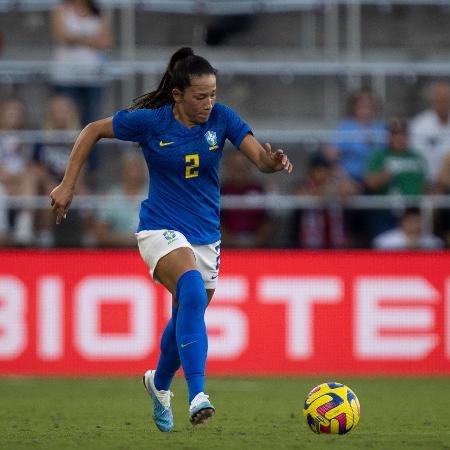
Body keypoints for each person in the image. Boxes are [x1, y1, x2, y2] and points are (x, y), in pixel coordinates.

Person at [50, 47, 293, 431]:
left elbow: (259, 160)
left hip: (205, 238)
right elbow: (92, 130)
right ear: (178, 95)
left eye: (213, 94)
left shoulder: (222, 119)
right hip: (159, 228)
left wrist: (274, 163)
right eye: (201, 96)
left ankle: (159, 384)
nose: (209, 103)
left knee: (186, 313)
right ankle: (198, 394)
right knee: (192, 292)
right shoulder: (151, 123)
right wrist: (67, 183)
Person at [51, 0, 113, 171]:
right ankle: (63, 168)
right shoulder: (61, 9)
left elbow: (106, 42)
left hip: (93, 78)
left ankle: (90, 169)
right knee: (66, 122)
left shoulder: (98, 12)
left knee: (92, 124)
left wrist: (76, 38)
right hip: (66, 77)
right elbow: (62, 35)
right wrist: (91, 40)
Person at [32, 94, 90, 247]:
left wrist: (71, 182)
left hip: (73, 180)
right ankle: (45, 237)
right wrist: (49, 182)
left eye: (64, 110)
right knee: (48, 195)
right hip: (49, 182)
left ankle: (87, 236)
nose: (60, 115)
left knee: (84, 194)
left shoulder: (80, 136)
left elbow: (85, 164)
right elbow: (36, 165)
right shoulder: (42, 136)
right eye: (56, 110)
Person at [365, 118, 427, 238]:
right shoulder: (379, 156)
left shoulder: (416, 157)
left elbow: (424, 185)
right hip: (386, 212)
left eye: (403, 134)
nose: (399, 137)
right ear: (389, 136)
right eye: (395, 134)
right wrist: (387, 173)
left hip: (413, 212)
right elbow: (370, 183)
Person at [291, 151, 347, 249]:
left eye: (323, 170)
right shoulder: (304, 186)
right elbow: (299, 195)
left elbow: (352, 190)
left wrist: (339, 177)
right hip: (311, 242)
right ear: (311, 171)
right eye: (317, 170)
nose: (321, 174)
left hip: (335, 242)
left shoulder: (336, 185)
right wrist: (325, 191)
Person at [92, 150, 147, 247]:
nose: (135, 171)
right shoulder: (113, 196)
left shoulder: (151, 194)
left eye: (138, 166)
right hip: (117, 251)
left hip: (147, 251)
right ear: (123, 170)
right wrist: (129, 241)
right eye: (132, 167)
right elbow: (100, 233)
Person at [0, 98, 36, 245]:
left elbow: (29, 162)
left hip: (21, 179)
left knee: (30, 180)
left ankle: (24, 228)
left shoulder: (26, 137)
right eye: (10, 112)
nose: (13, 115)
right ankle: (2, 230)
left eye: (17, 112)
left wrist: (18, 177)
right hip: (2, 178)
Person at [220, 151, 273, 248]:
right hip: (227, 246)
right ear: (228, 167)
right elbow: (215, 222)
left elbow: (268, 221)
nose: (239, 170)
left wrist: (257, 241)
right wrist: (230, 241)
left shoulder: (259, 189)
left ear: (249, 167)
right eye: (235, 166)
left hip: (257, 246)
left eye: (243, 166)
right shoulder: (221, 191)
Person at [410, 81, 450, 188]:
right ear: (432, 100)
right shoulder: (419, 125)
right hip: (428, 180)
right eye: (440, 99)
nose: (444, 103)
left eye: (446, 99)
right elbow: (417, 156)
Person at [373, 207, 444, 250]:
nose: (415, 225)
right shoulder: (385, 241)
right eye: (411, 221)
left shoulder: (432, 241)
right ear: (402, 223)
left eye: (418, 221)